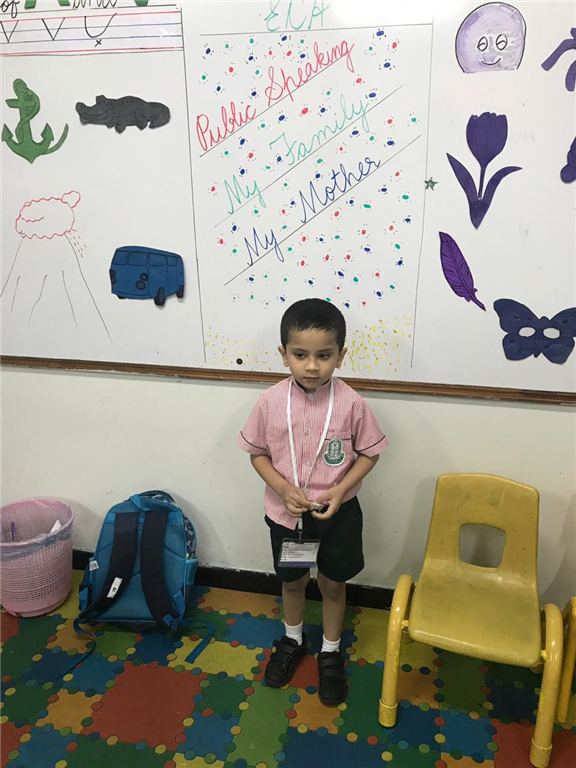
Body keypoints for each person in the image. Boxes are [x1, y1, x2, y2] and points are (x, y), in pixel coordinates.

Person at [237, 298, 388, 705]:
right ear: (283, 354)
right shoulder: (270, 402)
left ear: (341, 355)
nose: (312, 366)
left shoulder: (352, 403)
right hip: (286, 516)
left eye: (324, 355)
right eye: (300, 355)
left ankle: (331, 650)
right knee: (292, 581)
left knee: (333, 583)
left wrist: (341, 488)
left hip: (338, 513)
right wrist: (282, 488)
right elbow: (257, 454)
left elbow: (370, 454)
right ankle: (293, 639)